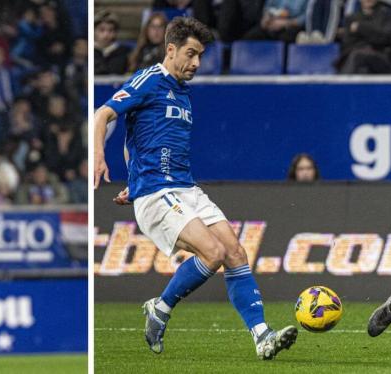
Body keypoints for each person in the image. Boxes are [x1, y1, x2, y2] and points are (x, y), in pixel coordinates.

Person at [94, 17, 297, 360]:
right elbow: (103, 114)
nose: (196, 63)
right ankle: (160, 307)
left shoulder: (183, 94)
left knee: (234, 252)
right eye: (191, 54)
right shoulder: (149, 80)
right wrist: (101, 156)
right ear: (170, 49)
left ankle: (263, 336)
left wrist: (133, 178)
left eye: (200, 55)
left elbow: (136, 139)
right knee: (212, 253)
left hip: (186, 188)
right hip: (158, 192)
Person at [94, 10, 131, 75]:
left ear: (115, 33)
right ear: (94, 31)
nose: (106, 34)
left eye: (110, 30)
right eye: (102, 30)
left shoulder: (124, 52)